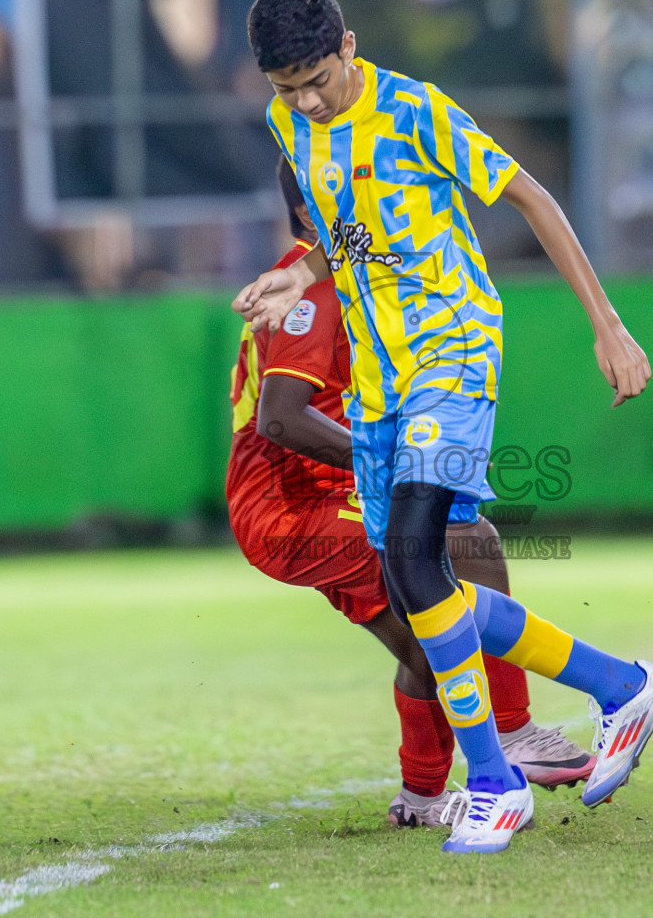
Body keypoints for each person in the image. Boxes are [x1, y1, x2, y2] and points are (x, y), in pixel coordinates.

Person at [233, 0, 653, 854]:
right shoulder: (289, 126)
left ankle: (493, 782)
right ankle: (625, 686)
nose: (306, 99)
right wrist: (303, 274)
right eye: (286, 86)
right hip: (381, 381)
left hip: (455, 354)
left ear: (350, 47)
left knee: (411, 551)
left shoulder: (416, 114)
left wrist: (610, 326)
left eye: (317, 78)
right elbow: (349, 235)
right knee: (421, 584)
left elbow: (533, 200)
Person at [226, 158, 597, 829]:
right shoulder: (317, 291)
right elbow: (278, 416)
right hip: (287, 503)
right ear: (313, 215)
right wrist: (389, 462)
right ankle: (514, 730)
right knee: (468, 539)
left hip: (322, 490)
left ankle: (423, 800)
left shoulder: (357, 277)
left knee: (431, 643)